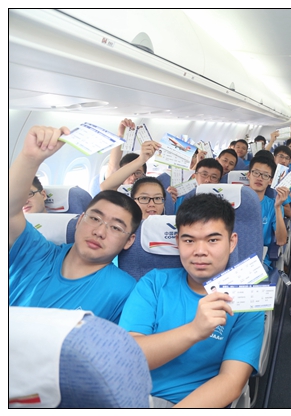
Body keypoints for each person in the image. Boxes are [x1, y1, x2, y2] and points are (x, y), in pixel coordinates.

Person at [118, 193, 264, 407]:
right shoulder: (154, 284)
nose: (200, 252)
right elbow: (129, 356)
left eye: (213, 240)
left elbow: (231, 380)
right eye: (189, 240)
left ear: (232, 242)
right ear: (177, 242)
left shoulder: (246, 302)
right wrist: (195, 330)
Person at [10, 126, 141, 323]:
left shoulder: (125, 290)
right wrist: (30, 158)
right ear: (79, 220)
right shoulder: (38, 252)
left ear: (129, 240)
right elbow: (9, 213)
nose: (99, 232)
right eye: (95, 218)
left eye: (115, 227)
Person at [247, 155, 290, 271]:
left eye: (265, 175)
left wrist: (278, 207)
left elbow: (281, 240)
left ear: (271, 181)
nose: (259, 178)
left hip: (258, 260)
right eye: (256, 173)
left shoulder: (273, 205)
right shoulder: (234, 203)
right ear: (248, 175)